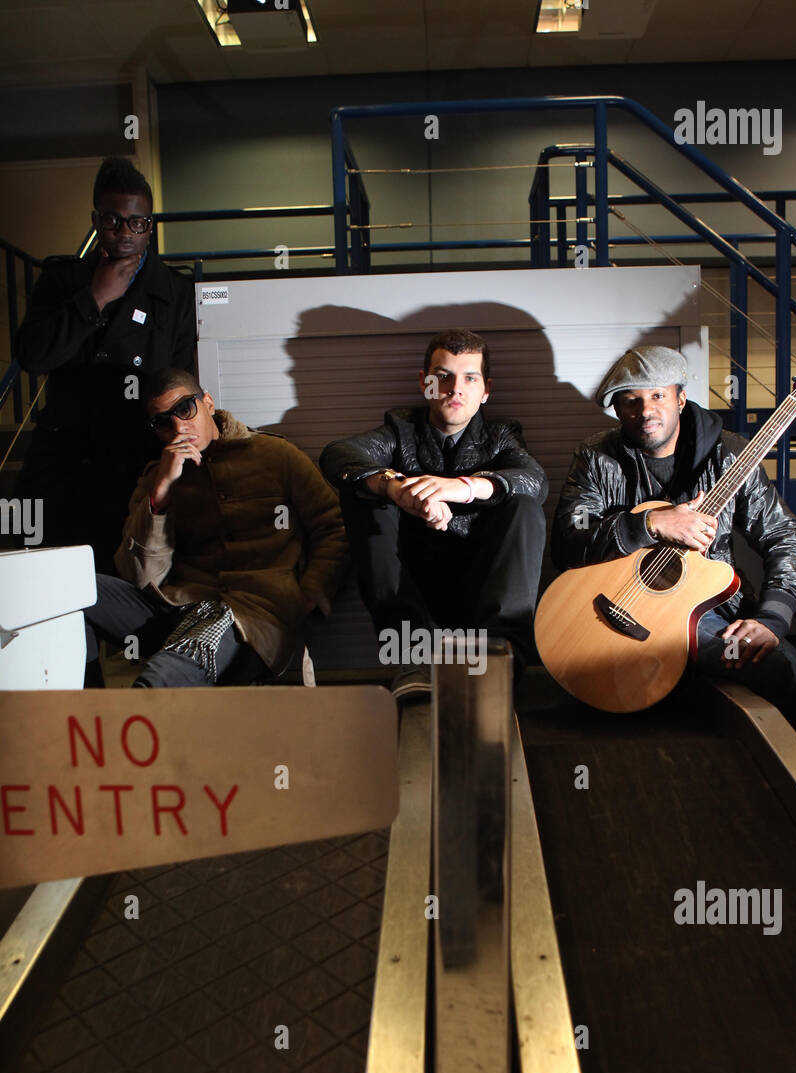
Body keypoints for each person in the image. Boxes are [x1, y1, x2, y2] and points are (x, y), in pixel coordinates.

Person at [550, 345, 796, 741]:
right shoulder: (596, 457)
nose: (645, 410)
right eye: (631, 400)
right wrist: (650, 524)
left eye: (657, 395)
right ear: (618, 410)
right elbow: (569, 539)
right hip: (613, 598)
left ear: (680, 399)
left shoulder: (730, 456)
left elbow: (782, 537)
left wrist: (772, 617)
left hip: (705, 610)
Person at [83, 368, 349, 688]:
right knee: (68, 591)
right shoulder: (158, 474)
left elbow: (333, 527)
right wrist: (161, 494)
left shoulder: (276, 455)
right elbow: (139, 576)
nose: (179, 427)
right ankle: (83, 707)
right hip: (174, 607)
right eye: (162, 421)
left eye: (185, 409)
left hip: (249, 617)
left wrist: (308, 595)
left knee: (158, 682)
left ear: (207, 402)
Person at [319, 327, 548, 687]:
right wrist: (398, 490)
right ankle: (415, 663)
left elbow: (535, 480)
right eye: (442, 377)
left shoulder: (501, 435)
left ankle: (500, 665)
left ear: (485, 390)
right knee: (364, 495)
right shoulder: (400, 429)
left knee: (525, 506)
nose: (455, 388)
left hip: (481, 587)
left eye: (469, 378)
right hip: (413, 591)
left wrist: (461, 488)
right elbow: (337, 456)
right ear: (424, 383)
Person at [14, 157, 196, 572]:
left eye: (138, 222)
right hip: (65, 462)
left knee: (126, 585)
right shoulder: (63, 281)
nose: (126, 233)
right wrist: (94, 298)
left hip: (133, 461)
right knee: (48, 586)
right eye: (114, 221)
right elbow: (33, 356)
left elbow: (179, 380)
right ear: (97, 220)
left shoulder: (175, 291)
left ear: (150, 225)